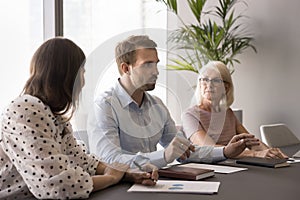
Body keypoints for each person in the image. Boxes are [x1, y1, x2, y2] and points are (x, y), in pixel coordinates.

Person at [0, 38, 157, 200]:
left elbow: (81, 160)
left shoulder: (54, 116)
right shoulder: (25, 111)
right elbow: (58, 186)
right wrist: (111, 178)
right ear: (67, 75)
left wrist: (125, 174)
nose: (82, 82)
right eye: (82, 72)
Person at [87, 35, 261, 169]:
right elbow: (109, 159)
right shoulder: (104, 106)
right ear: (126, 68)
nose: (156, 71)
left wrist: (224, 151)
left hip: (152, 183)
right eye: (148, 65)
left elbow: (186, 150)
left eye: (156, 64)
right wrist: (164, 156)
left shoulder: (157, 106)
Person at [181, 61, 287, 159]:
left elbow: (251, 142)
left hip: (232, 165)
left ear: (226, 87)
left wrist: (271, 152)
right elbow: (209, 149)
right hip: (211, 168)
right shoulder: (189, 115)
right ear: (199, 84)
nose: (209, 85)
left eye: (216, 80)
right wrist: (256, 154)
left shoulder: (228, 112)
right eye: (204, 79)